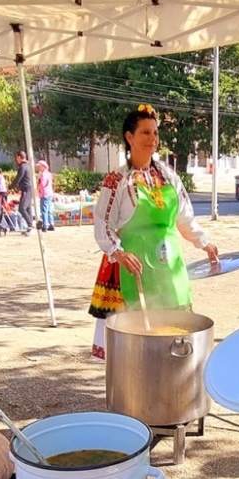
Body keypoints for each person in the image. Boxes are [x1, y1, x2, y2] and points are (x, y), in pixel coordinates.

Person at [89, 104, 219, 360]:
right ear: (130, 137)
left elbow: (184, 217)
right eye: (146, 133)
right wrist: (119, 253)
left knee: (177, 330)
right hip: (132, 267)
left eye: (155, 133)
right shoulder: (117, 181)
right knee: (137, 340)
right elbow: (103, 223)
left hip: (169, 266)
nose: (153, 139)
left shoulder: (169, 176)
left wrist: (203, 243)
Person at [10, 152, 33, 232]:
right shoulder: (27, 166)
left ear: (19, 157)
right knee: (28, 208)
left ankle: (30, 225)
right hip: (28, 189)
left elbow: (18, 178)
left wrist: (10, 188)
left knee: (22, 208)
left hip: (26, 189)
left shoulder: (23, 167)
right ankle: (30, 227)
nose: (16, 160)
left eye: (17, 158)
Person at [36, 160, 55, 231]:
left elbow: (42, 184)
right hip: (50, 193)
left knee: (44, 210)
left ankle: (45, 225)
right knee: (49, 210)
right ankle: (51, 224)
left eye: (39, 166)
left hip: (44, 194)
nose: (38, 167)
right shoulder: (49, 174)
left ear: (43, 166)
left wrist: (37, 189)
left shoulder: (43, 174)